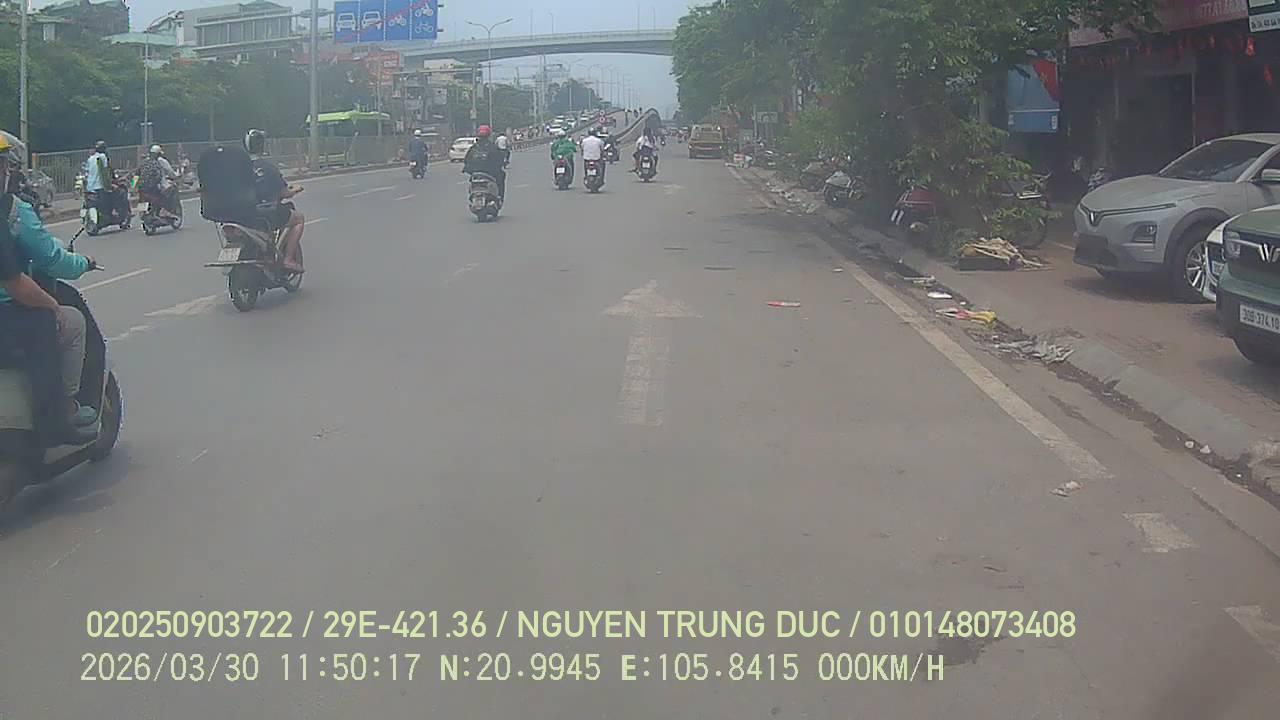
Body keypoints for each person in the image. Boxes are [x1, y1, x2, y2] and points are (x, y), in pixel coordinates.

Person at [0, 137, 98, 447]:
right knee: (57, 323)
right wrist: (51, 305)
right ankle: (57, 419)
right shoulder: (13, 209)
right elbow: (15, 282)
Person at [245, 129, 305, 273]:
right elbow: (284, 192)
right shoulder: (268, 168)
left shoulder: (239, 167)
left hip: (243, 213)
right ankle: (288, 259)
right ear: (261, 146)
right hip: (266, 212)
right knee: (299, 219)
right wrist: (295, 190)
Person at [462, 125, 507, 201]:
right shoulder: (492, 147)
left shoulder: (474, 148)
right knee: (502, 176)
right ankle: (500, 197)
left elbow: (466, 160)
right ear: (489, 135)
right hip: (489, 173)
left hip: (475, 174)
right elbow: (500, 160)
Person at [137, 145, 181, 217]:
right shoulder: (160, 162)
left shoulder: (144, 162)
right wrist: (176, 176)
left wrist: (133, 186)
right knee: (170, 191)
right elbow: (168, 173)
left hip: (141, 188)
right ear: (158, 154)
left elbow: (136, 175)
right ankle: (164, 210)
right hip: (154, 187)